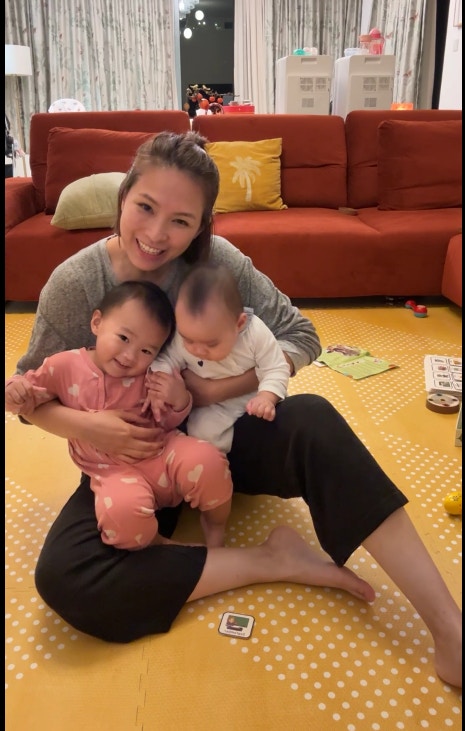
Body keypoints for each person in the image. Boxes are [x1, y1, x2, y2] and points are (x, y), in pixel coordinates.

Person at [12, 130, 461, 688]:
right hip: (126, 464)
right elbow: (27, 396)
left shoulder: (218, 263)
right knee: (67, 576)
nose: (156, 234)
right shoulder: (77, 283)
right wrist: (93, 428)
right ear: (122, 196)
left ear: (203, 225)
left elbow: (302, 335)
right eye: (145, 207)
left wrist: (213, 392)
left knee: (315, 419)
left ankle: (450, 628)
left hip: (222, 443)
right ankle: (274, 560)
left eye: (180, 221)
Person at [5, 280, 233, 549]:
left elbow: (169, 421)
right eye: (123, 338)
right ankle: (158, 543)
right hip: (111, 472)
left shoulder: (154, 373)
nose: (129, 356)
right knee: (120, 515)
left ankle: (215, 526)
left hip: (162, 451)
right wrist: (15, 390)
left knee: (209, 460)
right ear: (97, 323)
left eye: (146, 350)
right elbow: (28, 395)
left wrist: (180, 398)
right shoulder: (64, 366)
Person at [147, 262, 290, 453]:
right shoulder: (183, 337)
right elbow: (167, 359)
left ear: (239, 323)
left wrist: (267, 397)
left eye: (211, 343)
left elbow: (276, 367)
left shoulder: (255, 333)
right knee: (201, 433)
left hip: (254, 398)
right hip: (214, 408)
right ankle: (219, 465)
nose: (197, 350)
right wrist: (159, 383)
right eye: (188, 340)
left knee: (274, 429)